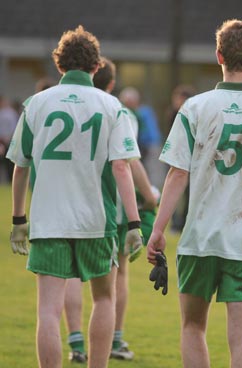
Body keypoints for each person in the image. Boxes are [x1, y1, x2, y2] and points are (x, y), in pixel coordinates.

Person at [147, 19, 242, 368]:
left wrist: (158, 229)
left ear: (218, 55)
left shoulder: (194, 107)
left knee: (192, 327)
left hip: (197, 239)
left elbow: (177, 173)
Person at [7, 26, 143, 368]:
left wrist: (18, 219)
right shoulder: (112, 106)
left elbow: (20, 168)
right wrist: (134, 222)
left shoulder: (37, 103)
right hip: (95, 220)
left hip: (48, 220)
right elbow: (122, 168)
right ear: (96, 67)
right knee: (103, 299)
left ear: (59, 66)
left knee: (48, 311)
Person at [63, 57, 158, 363]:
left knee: (70, 274)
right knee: (116, 276)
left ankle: (76, 341)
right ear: (112, 83)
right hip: (112, 206)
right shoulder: (118, 110)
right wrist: (148, 197)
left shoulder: (69, 105)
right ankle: (114, 338)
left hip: (69, 202)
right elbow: (129, 161)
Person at [165, 84, 196, 233]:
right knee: (174, 189)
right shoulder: (173, 114)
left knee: (188, 191)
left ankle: (183, 221)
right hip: (174, 156)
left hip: (189, 157)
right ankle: (175, 222)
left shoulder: (189, 115)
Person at [0, 95, 19, 182]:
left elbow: (13, 127)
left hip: (6, 141)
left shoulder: (8, 113)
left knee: (8, 163)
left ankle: (9, 180)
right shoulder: (7, 112)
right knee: (7, 163)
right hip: (5, 141)